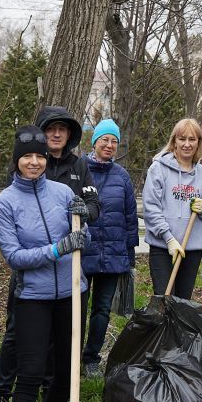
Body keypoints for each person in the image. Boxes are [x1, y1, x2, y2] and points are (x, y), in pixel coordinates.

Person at [0, 126, 91, 402]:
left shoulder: (64, 192)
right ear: (17, 160)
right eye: (27, 156)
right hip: (32, 297)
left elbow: (81, 237)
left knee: (66, 368)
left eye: (39, 156)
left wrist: (84, 224)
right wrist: (57, 249)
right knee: (31, 373)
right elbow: (15, 256)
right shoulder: (4, 203)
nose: (34, 162)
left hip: (71, 292)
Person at [81, 119, 138, 376]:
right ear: (94, 142)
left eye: (114, 141)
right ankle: (70, 354)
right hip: (83, 253)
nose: (109, 145)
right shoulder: (80, 169)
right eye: (105, 139)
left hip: (113, 254)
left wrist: (130, 254)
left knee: (102, 309)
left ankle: (91, 357)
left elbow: (130, 217)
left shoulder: (122, 176)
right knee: (77, 309)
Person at [143, 118, 202, 299]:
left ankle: (179, 329)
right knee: (165, 300)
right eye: (182, 139)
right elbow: (151, 209)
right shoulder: (158, 169)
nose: (187, 144)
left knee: (183, 303)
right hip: (163, 247)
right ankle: (165, 329)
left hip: (191, 249)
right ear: (174, 141)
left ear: (199, 143)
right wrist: (169, 239)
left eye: (192, 139)